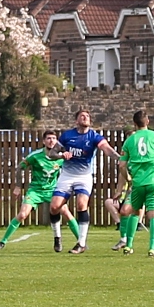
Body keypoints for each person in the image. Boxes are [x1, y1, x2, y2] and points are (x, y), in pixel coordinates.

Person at [47, 109, 121, 254]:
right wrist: (62, 155)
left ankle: (81, 243)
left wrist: (120, 159)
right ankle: (57, 237)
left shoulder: (94, 136)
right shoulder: (68, 135)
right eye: (82, 116)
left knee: (82, 204)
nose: (85, 118)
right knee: (54, 206)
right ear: (77, 120)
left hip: (84, 176)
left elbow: (107, 149)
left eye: (87, 116)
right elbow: (52, 153)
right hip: (67, 175)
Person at [0, 130, 75, 252]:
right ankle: (3, 241)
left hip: (52, 190)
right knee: (22, 215)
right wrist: (18, 186)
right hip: (35, 190)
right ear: (43, 141)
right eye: (48, 138)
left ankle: (79, 241)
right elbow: (20, 167)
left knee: (66, 212)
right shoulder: (36, 155)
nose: (51, 140)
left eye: (53, 138)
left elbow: (70, 171)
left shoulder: (61, 157)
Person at [118, 110, 154, 258]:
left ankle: (128, 246)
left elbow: (121, 165)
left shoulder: (129, 141)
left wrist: (128, 177)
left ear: (134, 124)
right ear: (147, 121)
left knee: (135, 212)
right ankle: (153, 248)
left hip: (138, 182)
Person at [109, 166, 154, 253]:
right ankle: (126, 241)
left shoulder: (150, 154)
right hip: (137, 188)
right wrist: (120, 189)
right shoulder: (130, 157)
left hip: (152, 186)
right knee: (127, 211)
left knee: (153, 215)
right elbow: (122, 171)